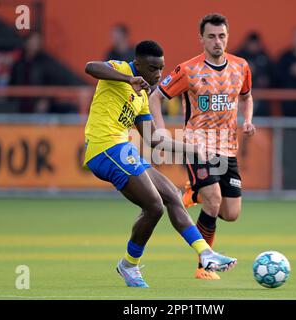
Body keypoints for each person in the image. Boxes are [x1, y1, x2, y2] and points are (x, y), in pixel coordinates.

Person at [83, 40, 237, 288]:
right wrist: (127, 80)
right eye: (153, 68)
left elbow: (153, 138)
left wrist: (194, 150)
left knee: (172, 195)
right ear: (138, 63)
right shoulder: (120, 70)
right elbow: (90, 67)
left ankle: (206, 254)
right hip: (104, 148)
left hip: (123, 150)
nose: (158, 74)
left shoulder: (142, 96)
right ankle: (129, 265)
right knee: (154, 206)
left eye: (161, 68)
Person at [149, 14, 256, 280]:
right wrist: (160, 130)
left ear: (228, 36)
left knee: (231, 214)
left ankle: (194, 193)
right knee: (214, 200)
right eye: (211, 36)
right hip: (197, 146)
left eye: (221, 36)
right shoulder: (188, 70)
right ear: (202, 39)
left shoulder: (241, 67)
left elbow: (247, 96)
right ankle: (204, 265)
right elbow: (155, 97)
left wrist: (248, 120)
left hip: (228, 147)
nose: (217, 41)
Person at [9, 32, 77, 113]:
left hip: (39, 105)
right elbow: (12, 84)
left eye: (37, 42)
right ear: (26, 43)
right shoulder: (18, 64)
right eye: (32, 41)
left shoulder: (46, 63)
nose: (35, 45)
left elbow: (52, 84)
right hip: (20, 105)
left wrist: (46, 100)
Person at [234, 31, 274, 116]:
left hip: (260, 98)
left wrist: (263, 78)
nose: (253, 46)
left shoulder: (264, 56)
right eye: (251, 43)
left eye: (255, 44)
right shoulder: (239, 56)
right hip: (241, 97)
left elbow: (272, 76)